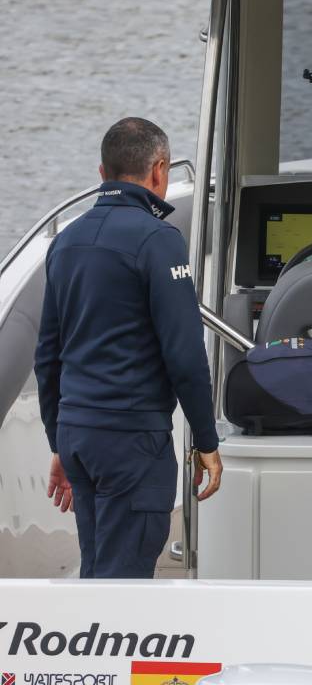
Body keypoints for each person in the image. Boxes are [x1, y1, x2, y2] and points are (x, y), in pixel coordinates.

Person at [34, 117, 223, 579]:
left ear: (103, 173)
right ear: (159, 170)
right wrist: (206, 440)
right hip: (130, 441)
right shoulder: (159, 240)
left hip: (78, 438)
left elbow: (47, 356)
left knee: (98, 569)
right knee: (123, 586)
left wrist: (60, 439)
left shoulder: (65, 241)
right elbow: (184, 355)